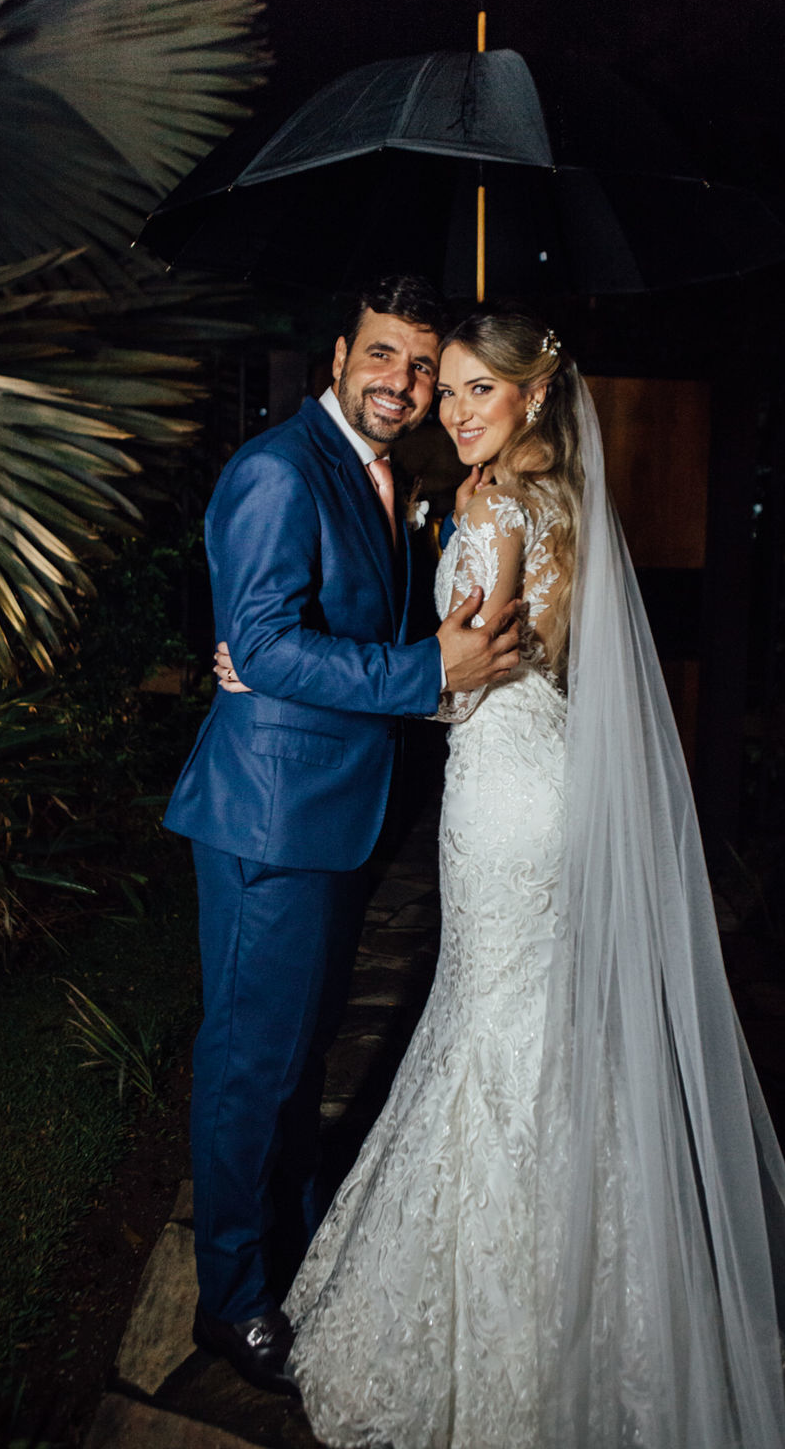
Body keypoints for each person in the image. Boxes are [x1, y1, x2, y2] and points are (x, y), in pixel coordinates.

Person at [219, 308, 785, 1447]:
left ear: (533, 396)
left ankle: (524, 1317)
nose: (455, 407)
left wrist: (271, 676)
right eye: (450, 388)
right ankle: (604, 1283)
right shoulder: (540, 499)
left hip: (506, 797)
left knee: (497, 1025)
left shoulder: (499, 507)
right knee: (533, 1026)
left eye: (479, 388)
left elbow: (463, 680)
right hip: (538, 781)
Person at [163, 275, 522, 1400]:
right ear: (338, 352)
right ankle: (229, 1299)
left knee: (298, 1055)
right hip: (270, 817)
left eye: (422, 367)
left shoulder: (387, 477)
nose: (404, 385)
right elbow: (265, 642)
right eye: (385, 357)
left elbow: (310, 632)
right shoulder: (278, 469)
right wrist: (428, 673)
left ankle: (288, 1237)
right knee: (250, 1064)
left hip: (332, 808)